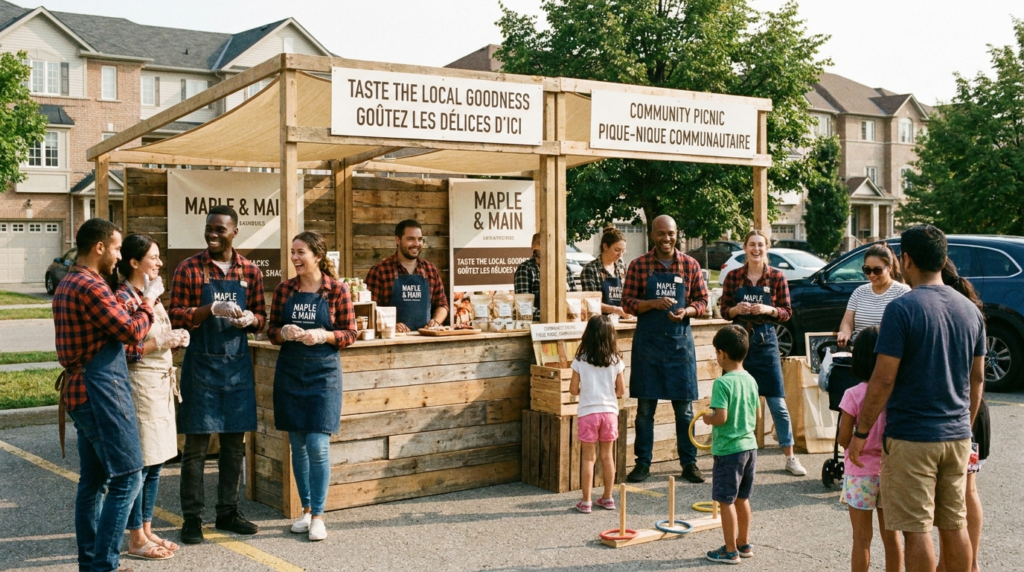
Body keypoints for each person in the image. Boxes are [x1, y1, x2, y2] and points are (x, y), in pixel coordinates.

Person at [847, 225, 986, 572]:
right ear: (943, 258)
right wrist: (964, 428)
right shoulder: (971, 310)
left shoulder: (902, 308)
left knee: (916, 529)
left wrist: (861, 433)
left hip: (912, 436)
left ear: (905, 260)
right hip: (956, 436)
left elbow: (882, 380)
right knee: (954, 524)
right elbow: (978, 378)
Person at [53, 218, 159, 572]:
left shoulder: (73, 280)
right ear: (99, 247)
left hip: (82, 392)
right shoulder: (90, 286)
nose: (118, 255)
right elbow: (131, 331)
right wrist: (148, 299)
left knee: (93, 482)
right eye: (115, 248)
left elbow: (113, 324)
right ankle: (104, 566)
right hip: (101, 392)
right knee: (129, 475)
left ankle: (92, 563)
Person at [169, 204, 266, 544]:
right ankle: (192, 519)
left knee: (233, 447)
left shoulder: (250, 272)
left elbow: (263, 319)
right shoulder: (189, 269)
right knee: (195, 448)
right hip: (201, 368)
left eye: (220, 229)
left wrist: (251, 320)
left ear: (235, 232)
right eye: (209, 228)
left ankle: (227, 512)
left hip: (237, 367)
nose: (212, 234)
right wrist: (210, 309)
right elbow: (176, 315)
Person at [268, 231, 357, 541]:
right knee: (298, 446)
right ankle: (305, 511)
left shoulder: (337, 291)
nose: (294, 257)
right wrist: (284, 331)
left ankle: (319, 515)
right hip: (290, 372)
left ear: (318, 256)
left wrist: (324, 335)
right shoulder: (283, 290)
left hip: (323, 375)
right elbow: (270, 331)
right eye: (293, 252)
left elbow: (350, 333)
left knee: (317, 446)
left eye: (300, 252)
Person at [115, 235, 190, 560]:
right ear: (134, 262)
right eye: (154, 257)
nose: (159, 264)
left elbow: (157, 336)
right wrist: (159, 343)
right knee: (142, 463)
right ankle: (135, 538)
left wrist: (175, 339)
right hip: (140, 387)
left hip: (160, 385)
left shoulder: (153, 296)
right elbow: (123, 350)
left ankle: (146, 528)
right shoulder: (124, 298)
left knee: (158, 461)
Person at [620, 215, 708, 484]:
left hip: (679, 346)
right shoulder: (639, 265)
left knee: (684, 411)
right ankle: (642, 464)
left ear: (677, 234)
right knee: (645, 411)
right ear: (652, 234)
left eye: (670, 233)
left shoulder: (690, 264)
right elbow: (627, 303)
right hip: (648, 347)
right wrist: (652, 304)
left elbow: (703, 301)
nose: (666, 238)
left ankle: (689, 463)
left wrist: (688, 311)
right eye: (661, 234)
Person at [719, 230, 806, 476]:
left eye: (760, 245)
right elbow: (724, 310)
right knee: (735, 401)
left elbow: (787, 312)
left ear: (766, 247)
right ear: (745, 248)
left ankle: (790, 457)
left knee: (777, 403)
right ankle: (732, 453)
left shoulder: (777, 277)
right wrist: (736, 308)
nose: (756, 249)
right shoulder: (734, 276)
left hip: (766, 341)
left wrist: (769, 309)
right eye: (751, 245)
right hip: (738, 342)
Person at [936, 257, 990, 572]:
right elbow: (978, 376)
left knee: (957, 494)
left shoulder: (945, 311)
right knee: (967, 491)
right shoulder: (970, 310)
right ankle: (970, 562)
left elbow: (976, 377)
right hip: (973, 410)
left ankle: (956, 563)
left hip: (961, 414)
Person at [837, 325, 902, 572]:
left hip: (859, 473)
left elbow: (844, 439)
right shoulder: (895, 394)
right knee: (892, 538)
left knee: (861, 539)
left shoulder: (853, 395)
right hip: (890, 470)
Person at [702, 325, 759, 564]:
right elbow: (756, 415)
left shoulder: (722, 384)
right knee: (742, 499)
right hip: (750, 446)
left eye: (717, 352)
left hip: (729, 450)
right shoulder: (750, 379)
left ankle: (729, 550)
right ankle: (743, 543)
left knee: (725, 501)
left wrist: (707, 418)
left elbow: (721, 417)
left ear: (722, 354)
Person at [569, 315, 625, 513]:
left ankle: (586, 502)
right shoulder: (616, 360)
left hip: (588, 413)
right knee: (607, 457)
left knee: (588, 459)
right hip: (609, 413)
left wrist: (586, 389)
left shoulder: (580, 360)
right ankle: (608, 498)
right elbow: (621, 391)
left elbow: (573, 389)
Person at [365, 219, 448, 332]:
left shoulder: (431, 270)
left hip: (425, 341)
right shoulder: (380, 271)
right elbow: (368, 310)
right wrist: (389, 325)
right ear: (397, 240)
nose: (416, 244)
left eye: (419, 239)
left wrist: (436, 322)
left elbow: (442, 304)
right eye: (410, 239)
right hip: (391, 343)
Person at [837, 242, 910, 348]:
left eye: (877, 270)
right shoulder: (859, 292)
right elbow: (847, 322)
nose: (872, 275)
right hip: (859, 351)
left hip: (888, 351)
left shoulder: (903, 292)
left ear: (889, 267)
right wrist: (845, 333)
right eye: (867, 270)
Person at [514, 232, 578, 321]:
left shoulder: (565, 269)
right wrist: (551, 315)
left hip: (565, 323)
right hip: (538, 326)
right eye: (542, 250)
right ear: (535, 251)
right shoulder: (525, 269)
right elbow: (524, 307)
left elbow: (574, 300)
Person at [579, 227, 629, 318]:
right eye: (617, 250)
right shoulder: (590, 270)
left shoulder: (621, 269)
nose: (620, 255)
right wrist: (615, 309)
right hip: (599, 323)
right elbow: (591, 303)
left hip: (622, 321)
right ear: (605, 246)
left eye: (623, 251)